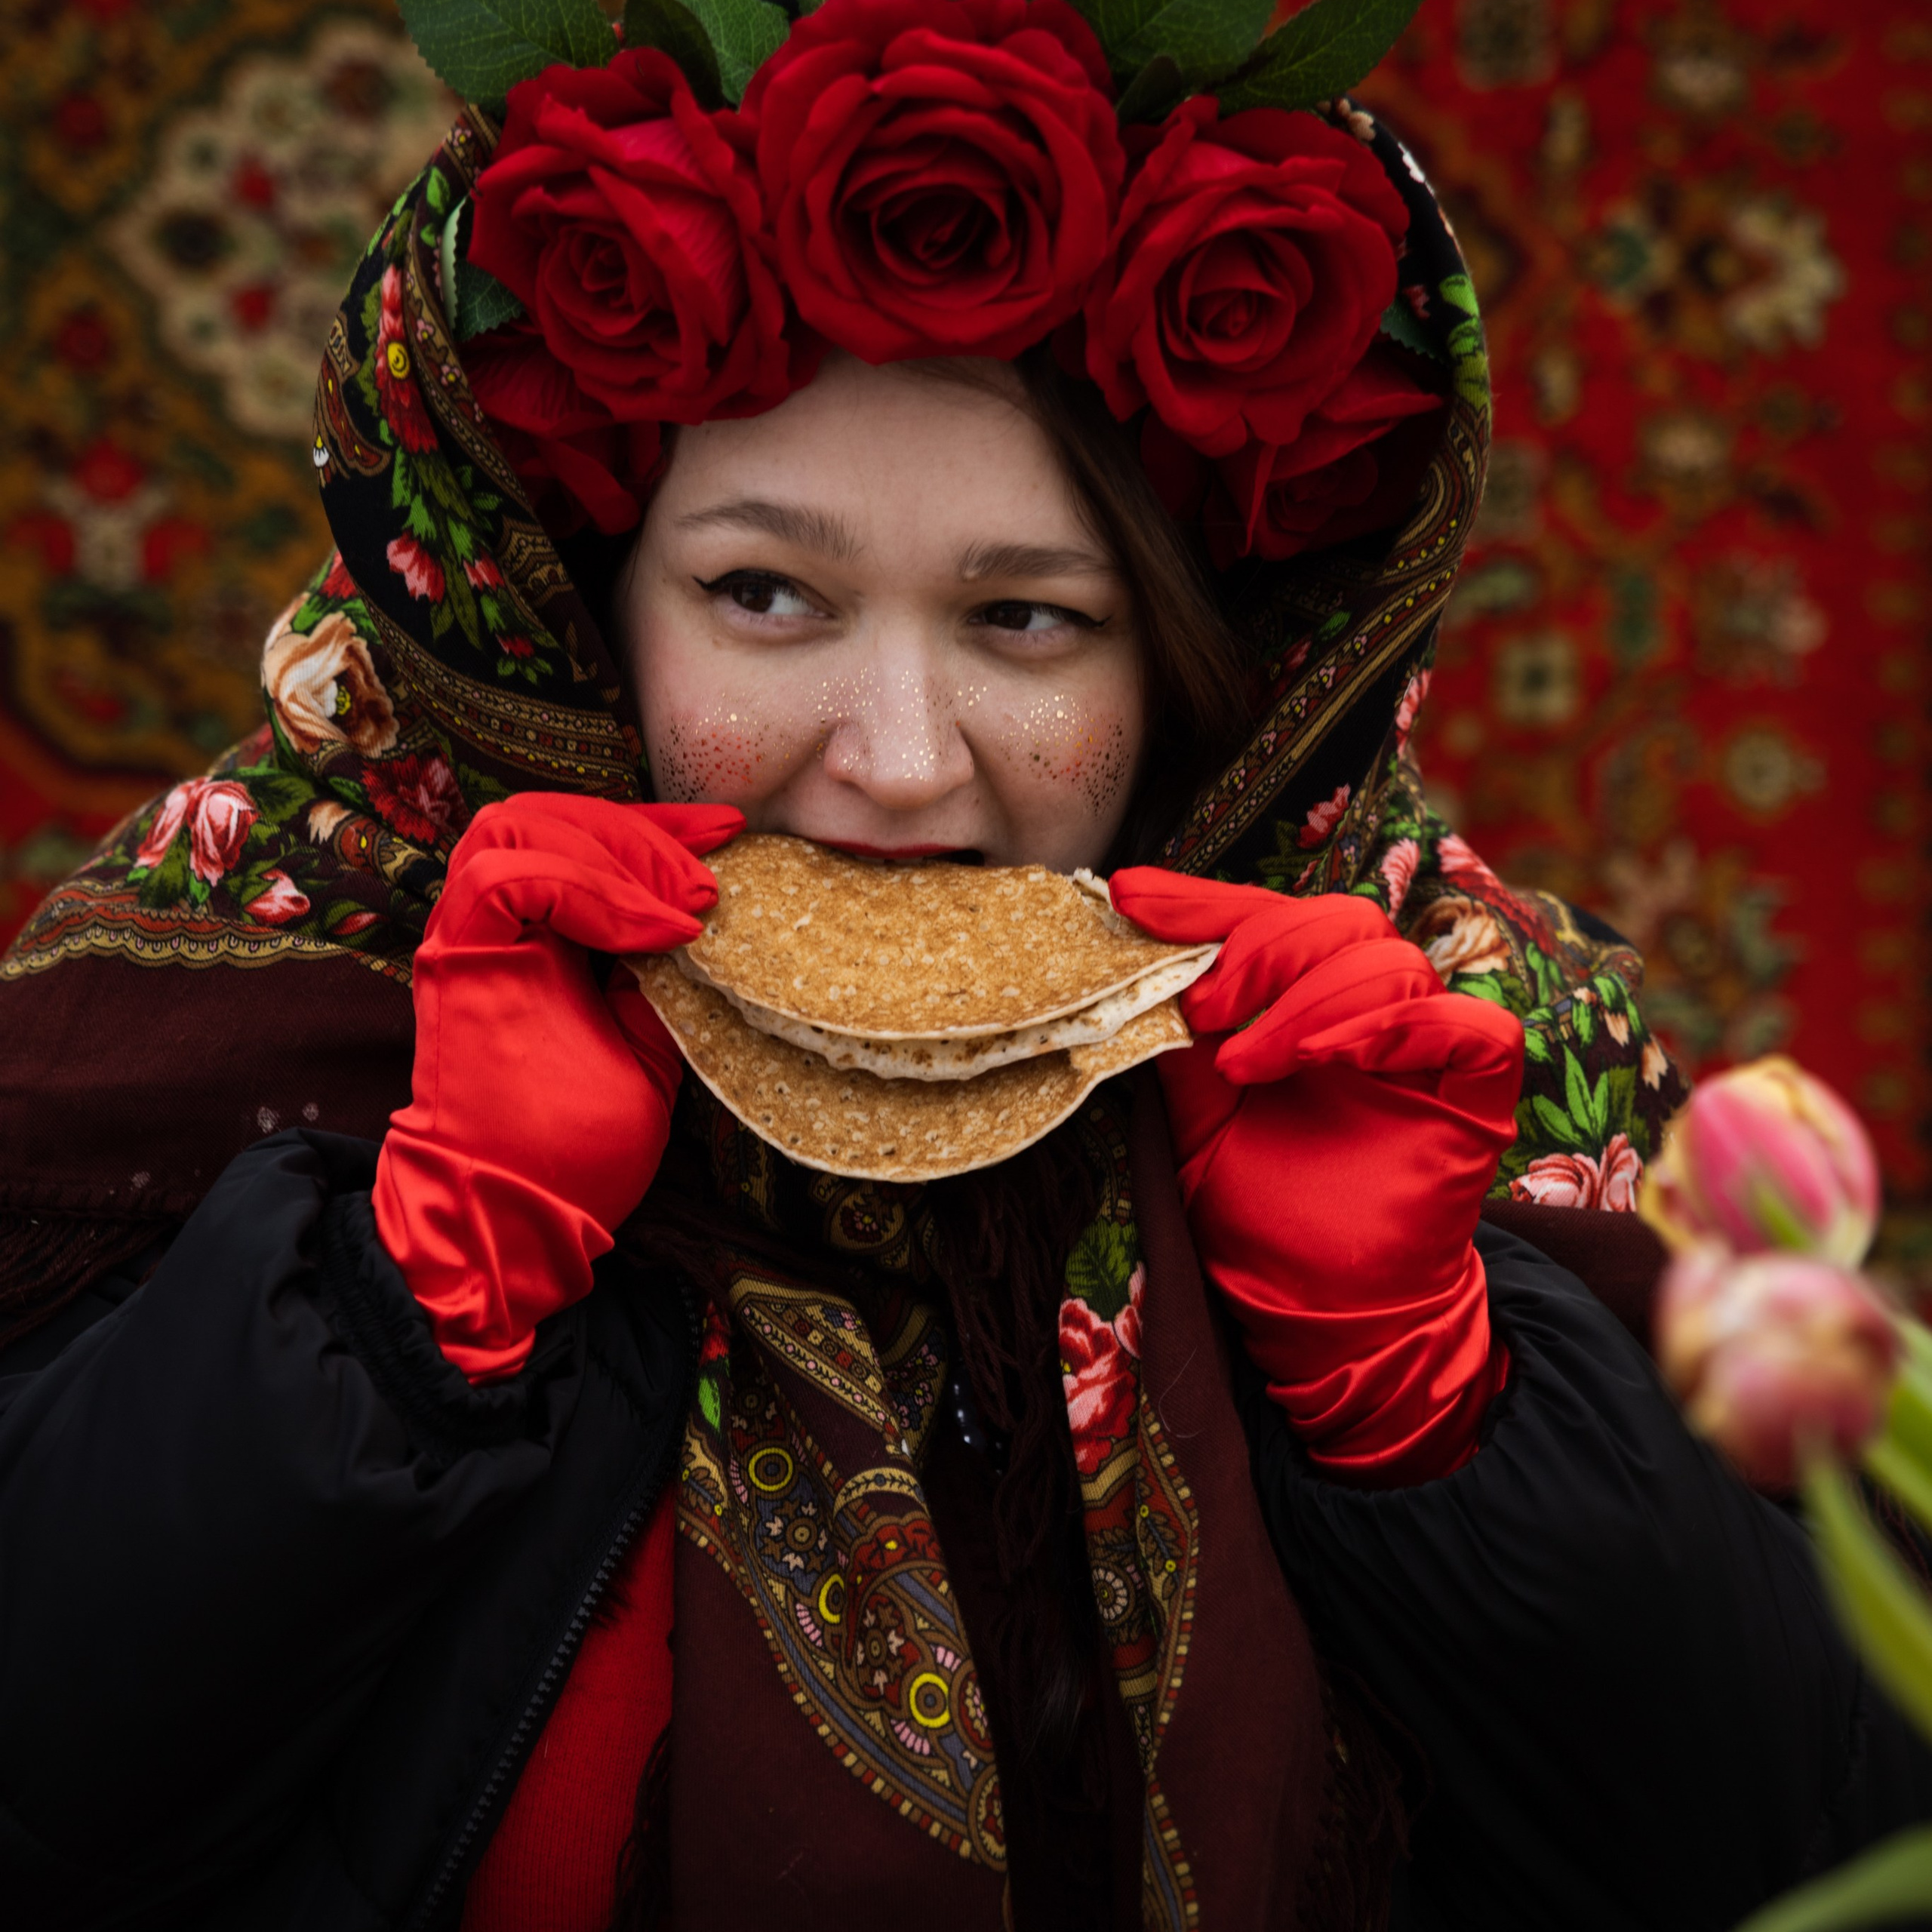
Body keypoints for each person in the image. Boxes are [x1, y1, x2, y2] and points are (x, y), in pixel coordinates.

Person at [1, 3, 1926, 1927]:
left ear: (1186, 666)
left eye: (1026, 617)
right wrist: (404, 1303)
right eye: (763, 592)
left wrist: (1425, 1403)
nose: (901, 759)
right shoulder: (268, 990)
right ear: (580, 612)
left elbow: (1835, 1845)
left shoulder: (1438, 1055)